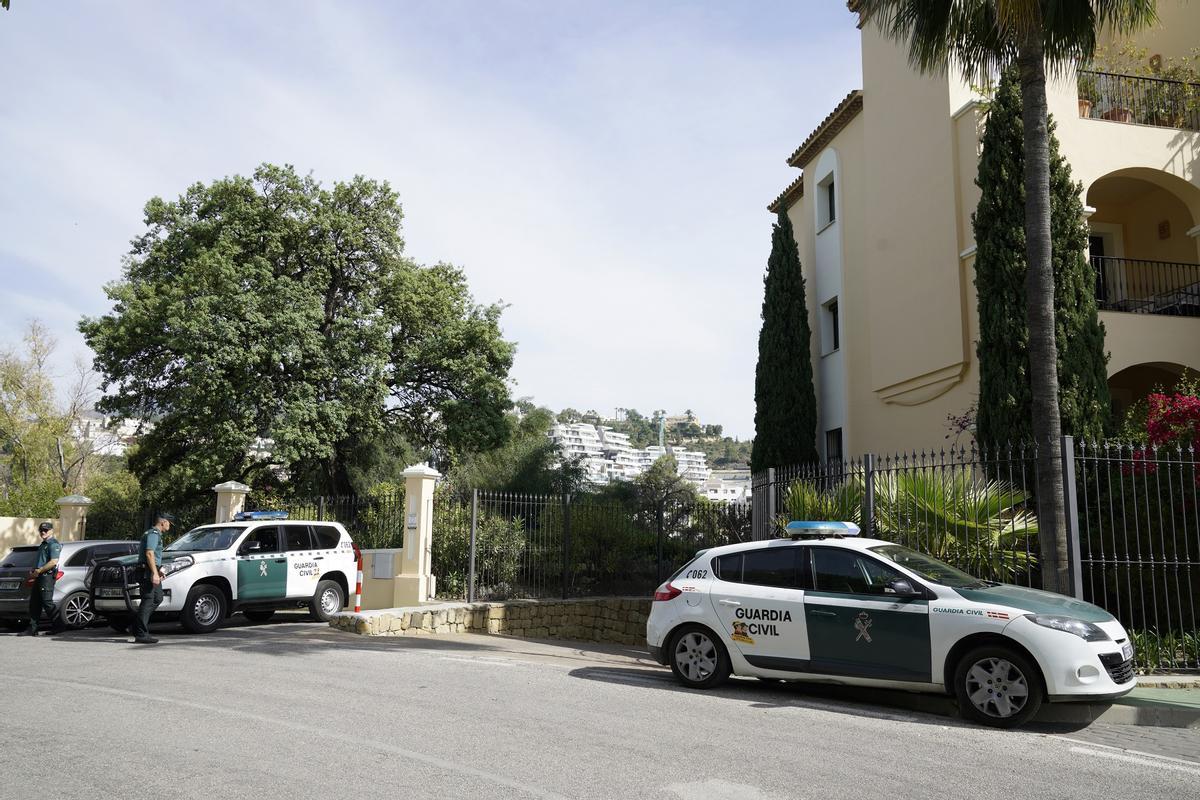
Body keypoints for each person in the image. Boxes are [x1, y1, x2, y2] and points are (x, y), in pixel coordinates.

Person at [132, 513, 172, 644]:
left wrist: (158, 570)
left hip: (151, 570)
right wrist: (154, 573)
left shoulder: (155, 534)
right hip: (147, 572)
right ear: (163, 522)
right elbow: (149, 553)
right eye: (169, 523)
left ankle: (137, 625)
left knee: (157, 598)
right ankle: (141, 634)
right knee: (148, 599)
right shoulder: (153, 534)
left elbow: (152, 556)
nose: (169, 526)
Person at [19, 522, 61, 636]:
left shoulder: (53, 544)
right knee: (34, 603)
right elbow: (41, 560)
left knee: (47, 602)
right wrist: (34, 570)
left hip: (47, 576)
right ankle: (33, 628)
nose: (43, 532)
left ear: (51, 531)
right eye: (41, 530)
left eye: (46, 530)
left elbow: (53, 562)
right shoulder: (43, 544)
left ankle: (59, 625)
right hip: (39, 575)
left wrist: (39, 570)